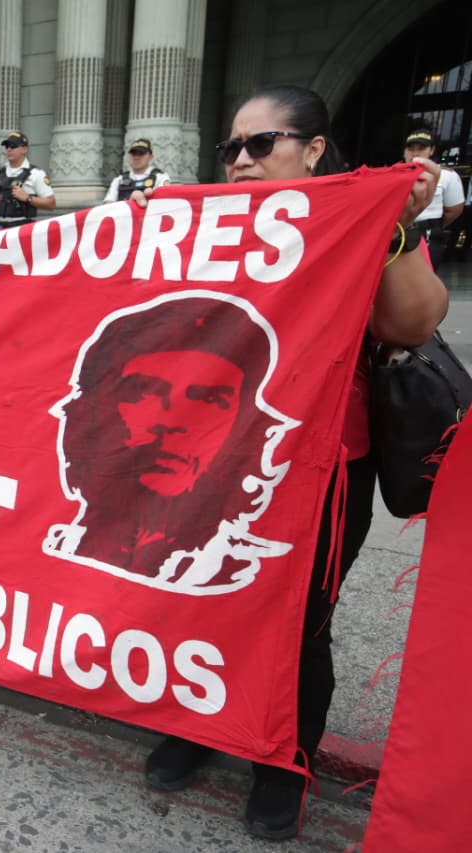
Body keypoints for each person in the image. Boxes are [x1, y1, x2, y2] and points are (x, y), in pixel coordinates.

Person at [139, 84, 447, 841]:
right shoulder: (203, 223)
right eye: (231, 147)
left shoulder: (366, 217)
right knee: (198, 595)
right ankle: (197, 724)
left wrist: (394, 233)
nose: (241, 160)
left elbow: (413, 323)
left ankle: (284, 760)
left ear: (312, 150)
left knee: (301, 621)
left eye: (260, 143)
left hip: (324, 465)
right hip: (212, 454)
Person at [45, 297, 295, 591]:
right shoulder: (48, 546)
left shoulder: (252, 580)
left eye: (208, 399)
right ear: (91, 413)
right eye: (144, 392)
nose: (172, 421)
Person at [403, 128, 464, 271]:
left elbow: (454, 210)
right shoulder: (394, 174)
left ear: (431, 150)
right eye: (411, 149)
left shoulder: (446, 175)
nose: (415, 153)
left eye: (421, 148)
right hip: (400, 234)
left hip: (427, 233)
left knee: (422, 277)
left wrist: (432, 226)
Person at [0, 131, 55, 227]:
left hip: (23, 227)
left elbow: (51, 203)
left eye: (13, 146)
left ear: (24, 149)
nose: (9, 149)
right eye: (7, 146)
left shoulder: (36, 173)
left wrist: (27, 198)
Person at [104, 138, 170, 203]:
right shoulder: (119, 179)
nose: (136, 157)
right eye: (133, 154)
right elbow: (109, 203)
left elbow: (163, 202)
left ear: (150, 157)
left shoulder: (160, 177)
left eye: (141, 154)